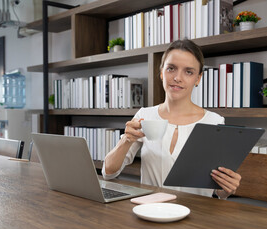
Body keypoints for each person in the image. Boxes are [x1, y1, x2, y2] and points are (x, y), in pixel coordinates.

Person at [102, 39, 241, 199]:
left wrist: (228, 188)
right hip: (150, 211)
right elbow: (108, 173)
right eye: (171, 69)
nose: (177, 78)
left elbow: (218, 191)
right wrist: (126, 139)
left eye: (188, 72)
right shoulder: (144, 116)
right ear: (161, 72)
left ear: (198, 78)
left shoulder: (214, 122)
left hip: (196, 216)